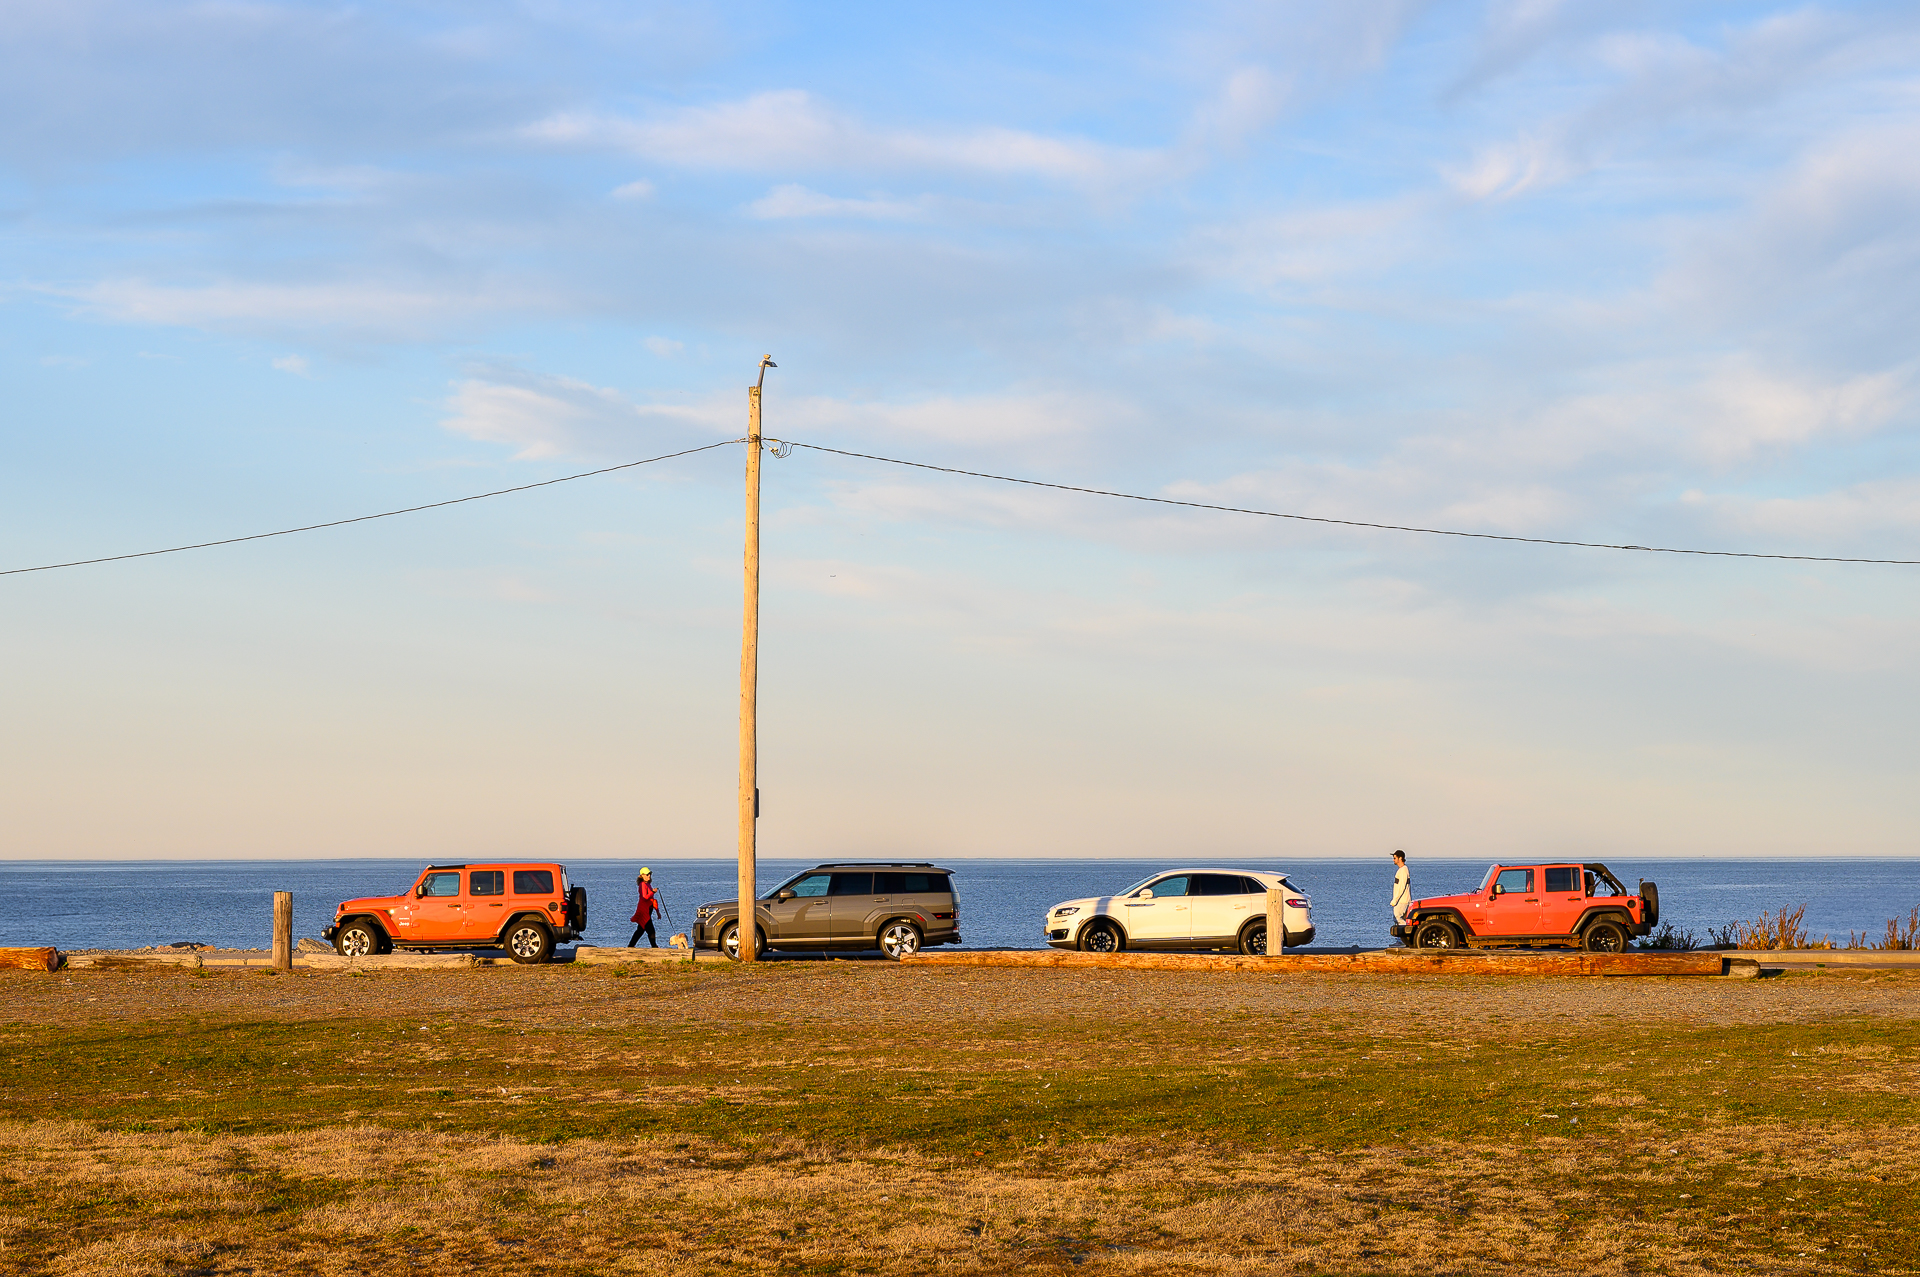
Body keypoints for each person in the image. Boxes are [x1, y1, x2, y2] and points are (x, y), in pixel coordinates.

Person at [628, 868, 662, 948]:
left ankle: (631, 946)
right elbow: (644, 897)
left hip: (648, 909)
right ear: (642, 876)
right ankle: (654, 947)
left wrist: (657, 911)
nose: (649, 876)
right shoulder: (642, 884)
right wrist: (652, 892)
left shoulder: (648, 884)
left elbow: (650, 899)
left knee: (640, 930)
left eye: (649, 874)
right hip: (644, 910)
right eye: (647, 874)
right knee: (651, 930)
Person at [1390, 850, 1412, 937]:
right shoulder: (1402, 870)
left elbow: (1402, 886)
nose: (1393, 860)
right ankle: (1403, 940)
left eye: (1395, 858)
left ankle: (1402, 939)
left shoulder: (1403, 870)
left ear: (1400, 858)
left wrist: (1395, 900)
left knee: (1398, 918)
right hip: (1402, 900)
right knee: (1400, 919)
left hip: (1402, 901)